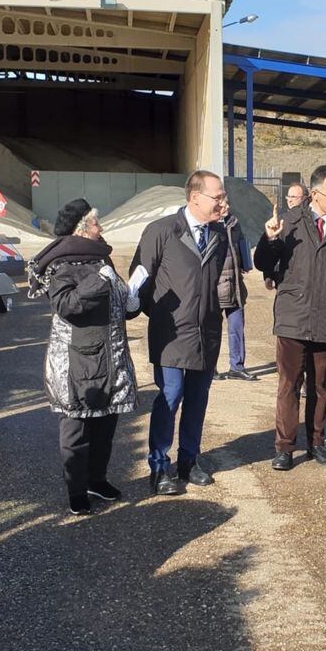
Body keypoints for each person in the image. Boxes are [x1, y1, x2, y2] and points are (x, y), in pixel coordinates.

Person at [27, 199, 138, 516]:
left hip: (112, 355)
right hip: (78, 360)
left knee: (106, 424)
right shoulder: (63, 264)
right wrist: (98, 281)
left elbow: (113, 298)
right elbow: (66, 306)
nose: (100, 228)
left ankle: (96, 480)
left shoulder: (101, 258)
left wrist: (131, 301)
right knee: (76, 428)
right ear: (81, 229)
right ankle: (76, 491)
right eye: (95, 224)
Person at [254, 164, 326, 471]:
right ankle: (285, 447)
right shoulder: (290, 222)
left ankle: (317, 443)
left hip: (325, 318)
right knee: (289, 385)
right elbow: (263, 263)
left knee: (320, 386)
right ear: (314, 194)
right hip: (292, 317)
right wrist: (270, 239)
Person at [130, 170, 228, 495]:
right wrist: (159, 316)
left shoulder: (219, 234)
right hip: (171, 334)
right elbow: (139, 281)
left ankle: (189, 460)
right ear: (195, 197)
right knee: (171, 395)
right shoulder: (161, 231)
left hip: (206, 333)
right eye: (218, 196)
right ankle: (159, 468)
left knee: (198, 398)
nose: (222, 202)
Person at [216, 200, 257, 381]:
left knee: (237, 328)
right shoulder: (208, 226)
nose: (226, 208)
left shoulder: (234, 223)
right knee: (212, 331)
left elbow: (241, 244)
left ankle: (237, 367)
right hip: (215, 288)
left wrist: (245, 262)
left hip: (235, 287)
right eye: (222, 205)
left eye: (227, 205)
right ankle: (210, 368)